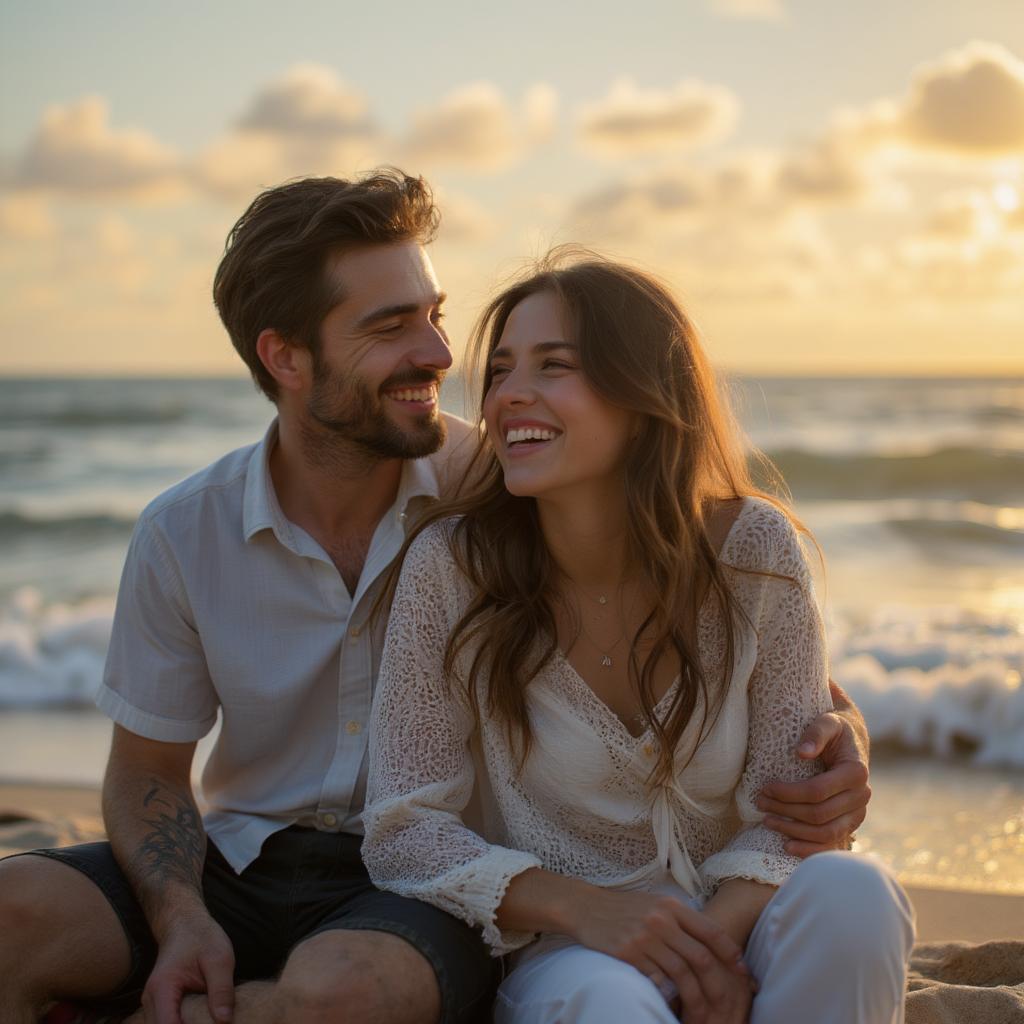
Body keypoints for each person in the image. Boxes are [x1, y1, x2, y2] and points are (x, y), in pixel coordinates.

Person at [0, 174, 869, 1024]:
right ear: (286, 357)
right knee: (11, 913)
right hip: (242, 858)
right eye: (391, 326)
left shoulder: (503, 485)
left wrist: (841, 739)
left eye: (435, 315)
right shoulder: (185, 532)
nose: (440, 356)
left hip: (417, 887)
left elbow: (732, 643)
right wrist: (180, 919)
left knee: (342, 990)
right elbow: (148, 771)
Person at [362, 251, 914, 1024]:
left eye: (554, 366)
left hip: (743, 918)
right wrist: (591, 912)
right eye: (501, 370)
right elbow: (403, 829)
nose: (509, 394)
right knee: (608, 1003)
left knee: (858, 896)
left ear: (646, 394)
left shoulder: (755, 551)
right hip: (567, 950)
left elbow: (790, 815)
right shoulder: (454, 567)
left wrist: (698, 945)